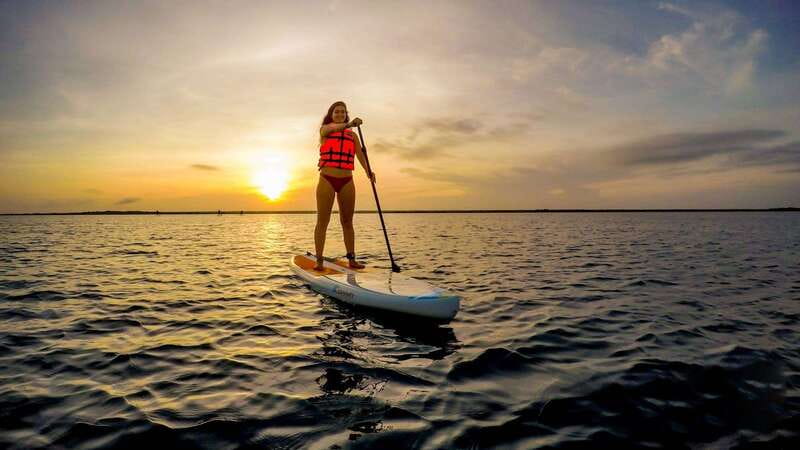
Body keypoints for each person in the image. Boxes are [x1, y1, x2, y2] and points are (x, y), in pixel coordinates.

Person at [314, 101, 376, 271]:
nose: (340, 114)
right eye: (337, 112)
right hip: (327, 179)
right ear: (331, 115)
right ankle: (319, 260)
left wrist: (368, 171)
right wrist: (349, 124)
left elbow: (360, 155)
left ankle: (352, 259)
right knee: (323, 221)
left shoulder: (353, 136)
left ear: (346, 114)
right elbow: (331, 129)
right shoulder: (325, 130)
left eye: (343, 112)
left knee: (347, 222)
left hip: (347, 180)